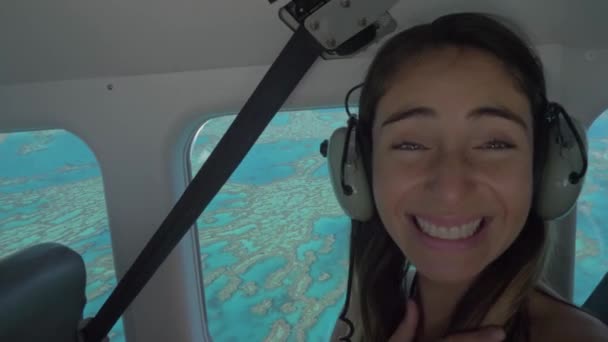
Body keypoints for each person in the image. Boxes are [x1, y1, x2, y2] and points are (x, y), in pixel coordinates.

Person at [329, 12, 608, 342]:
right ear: (362, 168)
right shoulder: (363, 313)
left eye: (495, 143)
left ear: (543, 168)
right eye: (410, 143)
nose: (450, 190)